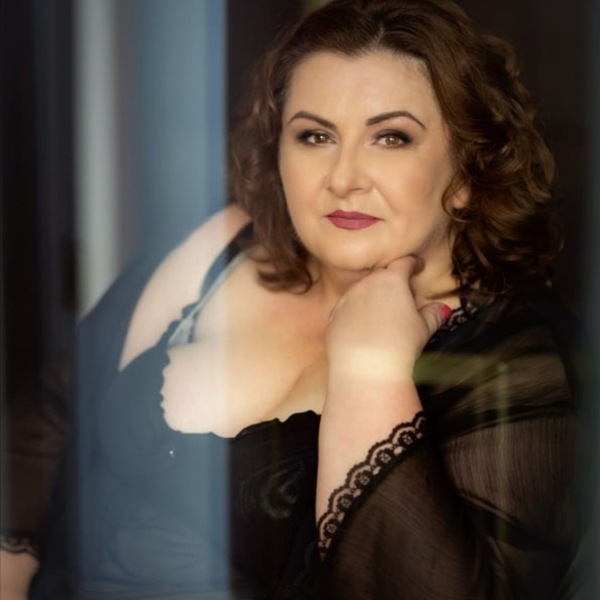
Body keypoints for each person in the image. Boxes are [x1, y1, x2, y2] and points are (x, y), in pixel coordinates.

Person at [1, 0, 583, 598]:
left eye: (390, 137)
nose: (343, 177)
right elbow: (53, 409)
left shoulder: (516, 357)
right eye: (315, 136)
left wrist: (369, 369)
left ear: (465, 175)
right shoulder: (222, 245)